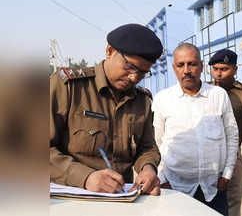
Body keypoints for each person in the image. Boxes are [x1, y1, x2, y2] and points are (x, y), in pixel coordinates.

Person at [50, 24, 163, 195]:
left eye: (142, 73)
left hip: (122, 199)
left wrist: (148, 168)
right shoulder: (68, 87)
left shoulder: (143, 100)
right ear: (109, 51)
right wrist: (86, 178)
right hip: (69, 199)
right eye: (130, 67)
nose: (134, 77)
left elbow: (147, 147)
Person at [152, 43, 238, 216]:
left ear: (201, 65)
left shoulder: (218, 95)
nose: (186, 70)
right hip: (175, 188)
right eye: (180, 65)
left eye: (192, 64)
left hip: (213, 188)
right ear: (173, 68)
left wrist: (227, 174)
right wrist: (162, 179)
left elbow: (232, 135)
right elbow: (156, 142)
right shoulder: (163, 99)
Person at [208, 48, 242, 216]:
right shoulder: (204, 92)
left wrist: (231, 145)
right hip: (206, 154)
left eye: (224, 69)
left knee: (233, 201)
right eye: (215, 69)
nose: (219, 74)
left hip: (233, 154)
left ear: (235, 69)